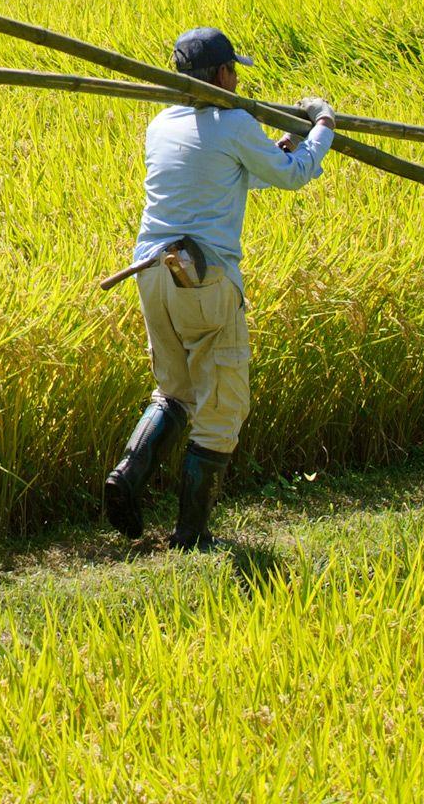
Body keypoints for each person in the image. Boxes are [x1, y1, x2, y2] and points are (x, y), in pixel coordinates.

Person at [103, 27, 335, 550]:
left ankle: (127, 475)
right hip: (202, 277)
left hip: (151, 273)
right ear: (223, 74)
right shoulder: (234, 123)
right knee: (222, 407)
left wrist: (285, 144)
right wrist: (323, 125)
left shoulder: (161, 125)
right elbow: (292, 176)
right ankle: (191, 535)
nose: (236, 80)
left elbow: (233, 172)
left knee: (175, 390)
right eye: (234, 71)